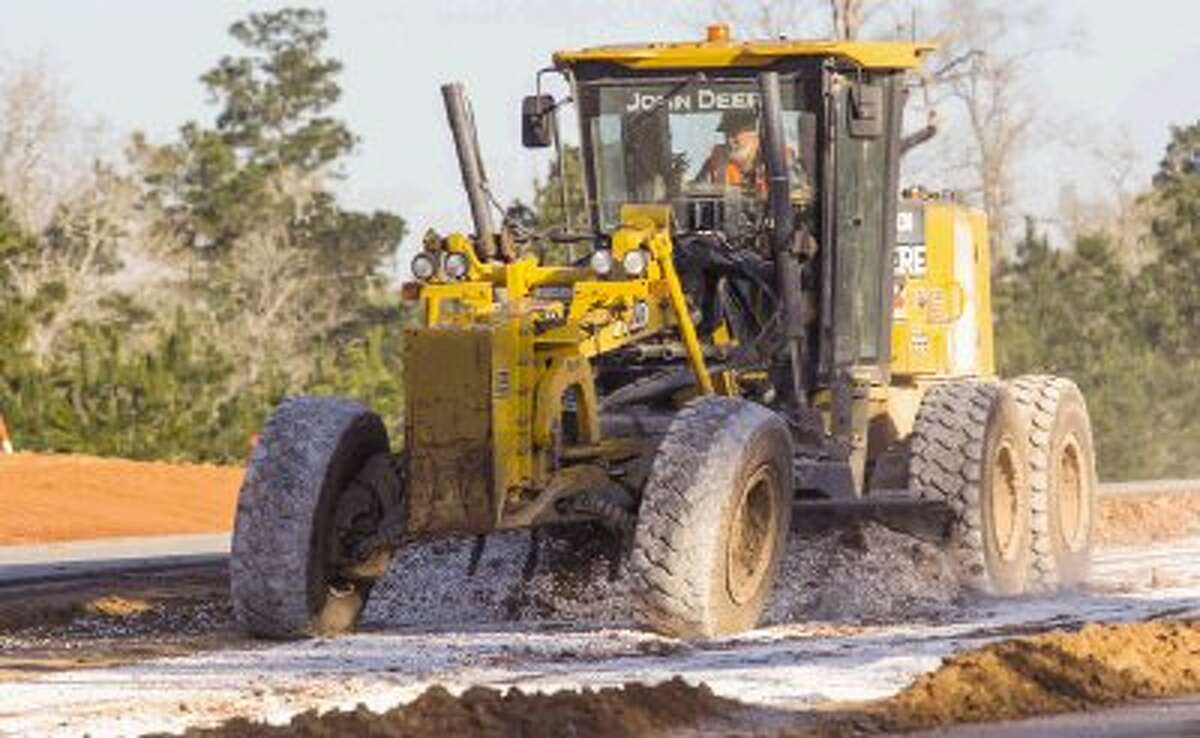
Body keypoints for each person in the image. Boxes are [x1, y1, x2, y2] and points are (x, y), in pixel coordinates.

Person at [695, 111, 763, 189]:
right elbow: (695, 192)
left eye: (735, 134)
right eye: (727, 134)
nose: (730, 140)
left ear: (754, 134)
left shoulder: (774, 161)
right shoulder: (715, 162)